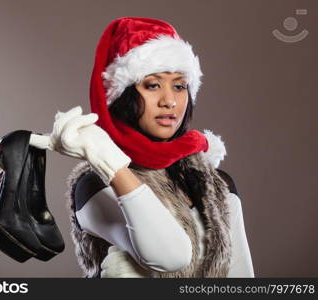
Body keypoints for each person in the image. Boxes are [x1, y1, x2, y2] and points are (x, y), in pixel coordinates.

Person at [29, 17, 254, 278]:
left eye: (180, 86)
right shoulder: (95, 185)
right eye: (152, 85)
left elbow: (242, 280)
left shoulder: (216, 184)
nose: (169, 101)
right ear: (123, 95)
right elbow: (170, 257)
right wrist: (106, 159)